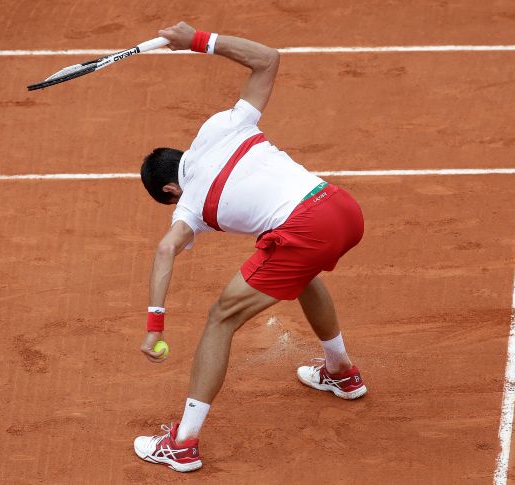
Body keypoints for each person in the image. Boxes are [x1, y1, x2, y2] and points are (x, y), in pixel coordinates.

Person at [133, 22, 367, 473]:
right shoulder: (222, 126)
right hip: (342, 207)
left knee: (220, 318)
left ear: (169, 189)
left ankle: (182, 444)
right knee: (298, 273)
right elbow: (267, 58)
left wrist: (154, 326)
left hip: (303, 227)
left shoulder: (190, 207)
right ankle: (342, 372)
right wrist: (197, 41)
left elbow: (166, 251)